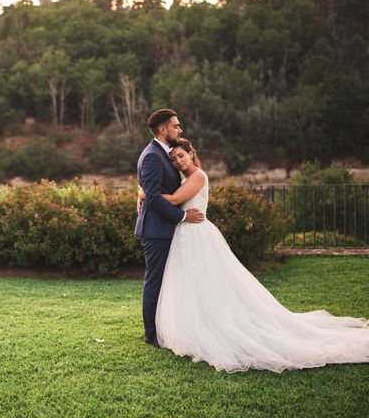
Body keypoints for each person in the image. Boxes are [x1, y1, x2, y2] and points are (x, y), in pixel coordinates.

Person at [138, 138, 369, 372]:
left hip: (197, 234)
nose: (178, 161)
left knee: (206, 282)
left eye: (181, 156)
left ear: (191, 154)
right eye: (174, 158)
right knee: (190, 283)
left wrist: (149, 194)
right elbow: (169, 193)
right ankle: (193, 326)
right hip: (184, 236)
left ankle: (212, 327)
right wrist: (145, 190)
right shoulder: (183, 177)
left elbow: (175, 200)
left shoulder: (198, 176)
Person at [134, 109, 205, 347]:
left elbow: (149, 188)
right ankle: (152, 334)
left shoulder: (164, 154)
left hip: (165, 229)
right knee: (155, 281)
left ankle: (167, 327)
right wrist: (183, 215)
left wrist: (141, 191)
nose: (180, 130)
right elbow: (153, 197)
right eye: (176, 126)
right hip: (156, 230)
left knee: (168, 281)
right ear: (163, 129)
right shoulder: (153, 155)